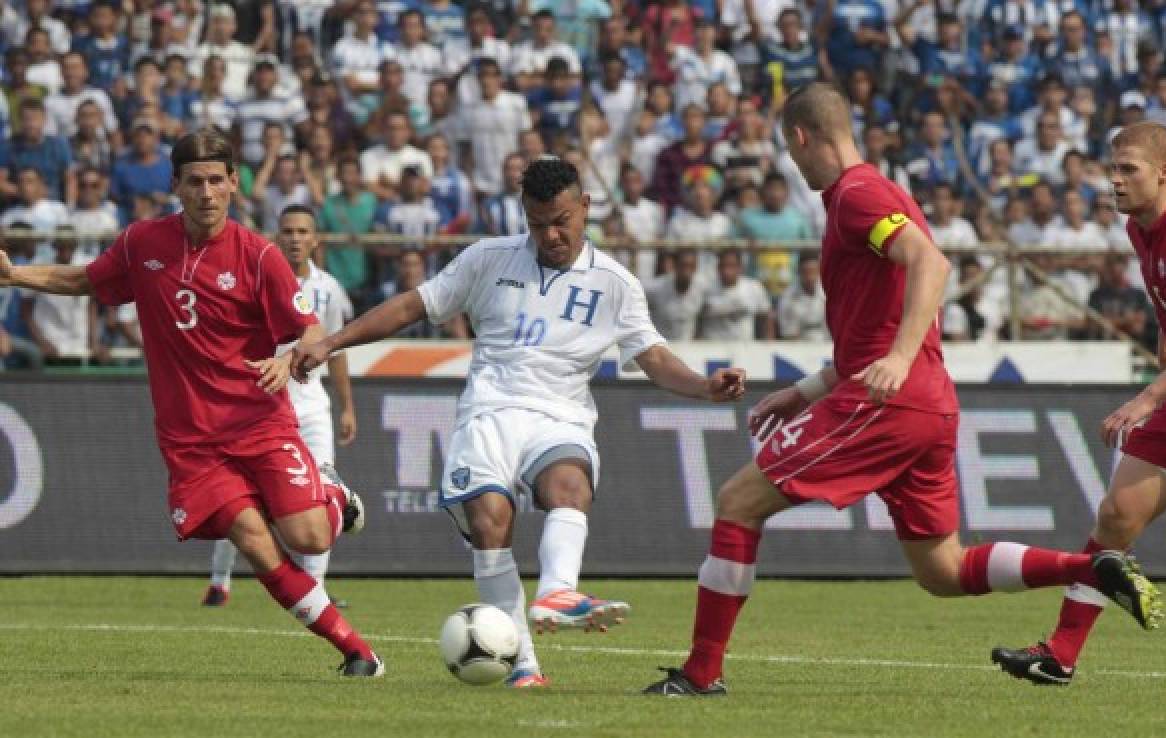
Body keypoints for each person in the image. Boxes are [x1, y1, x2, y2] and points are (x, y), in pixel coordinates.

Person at [641, 82, 1161, 698]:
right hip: (926, 402)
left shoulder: (857, 194)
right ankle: (1092, 567)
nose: (792, 160)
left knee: (735, 502)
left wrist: (898, 356)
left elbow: (931, 265)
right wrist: (806, 392)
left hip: (890, 400)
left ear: (802, 138)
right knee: (941, 571)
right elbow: (874, 325)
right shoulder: (873, 196)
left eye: (790, 147)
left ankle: (701, 674)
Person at [292, 157, 746, 688]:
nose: (550, 234)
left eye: (561, 220)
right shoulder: (488, 259)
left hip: (561, 414)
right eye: (536, 223)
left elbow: (654, 358)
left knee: (568, 485)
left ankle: (558, 591)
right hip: (489, 409)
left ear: (585, 208)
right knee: (490, 523)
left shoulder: (616, 284)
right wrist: (330, 342)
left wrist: (705, 387)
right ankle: (524, 667)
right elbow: (412, 306)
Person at [0, 130, 383, 677]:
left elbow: (311, 328)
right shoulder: (141, 243)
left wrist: (290, 358)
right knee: (255, 543)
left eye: (216, 181)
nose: (207, 192)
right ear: (175, 185)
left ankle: (333, 492)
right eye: (195, 181)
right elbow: (84, 280)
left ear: (233, 184)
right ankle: (357, 652)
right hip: (192, 443)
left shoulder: (259, 257)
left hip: (260, 424)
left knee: (310, 537)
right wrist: (15, 275)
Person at [992, 122, 1166, 686]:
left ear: (1165, 173)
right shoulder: (1141, 227)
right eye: (1113, 168)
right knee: (1115, 518)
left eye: (1128, 168)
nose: (1115, 179)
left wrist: (1151, 395)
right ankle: (1059, 655)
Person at [204, 204, 356, 607]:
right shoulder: (252, 278)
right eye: (287, 230)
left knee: (320, 496)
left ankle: (314, 589)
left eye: (303, 231)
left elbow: (335, 350)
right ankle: (220, 581)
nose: (294, 238)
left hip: (311, 410)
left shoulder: (329, 290)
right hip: (260, 411)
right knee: (241, 500)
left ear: (315, 240)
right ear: (277, 236)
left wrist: (347, 407)